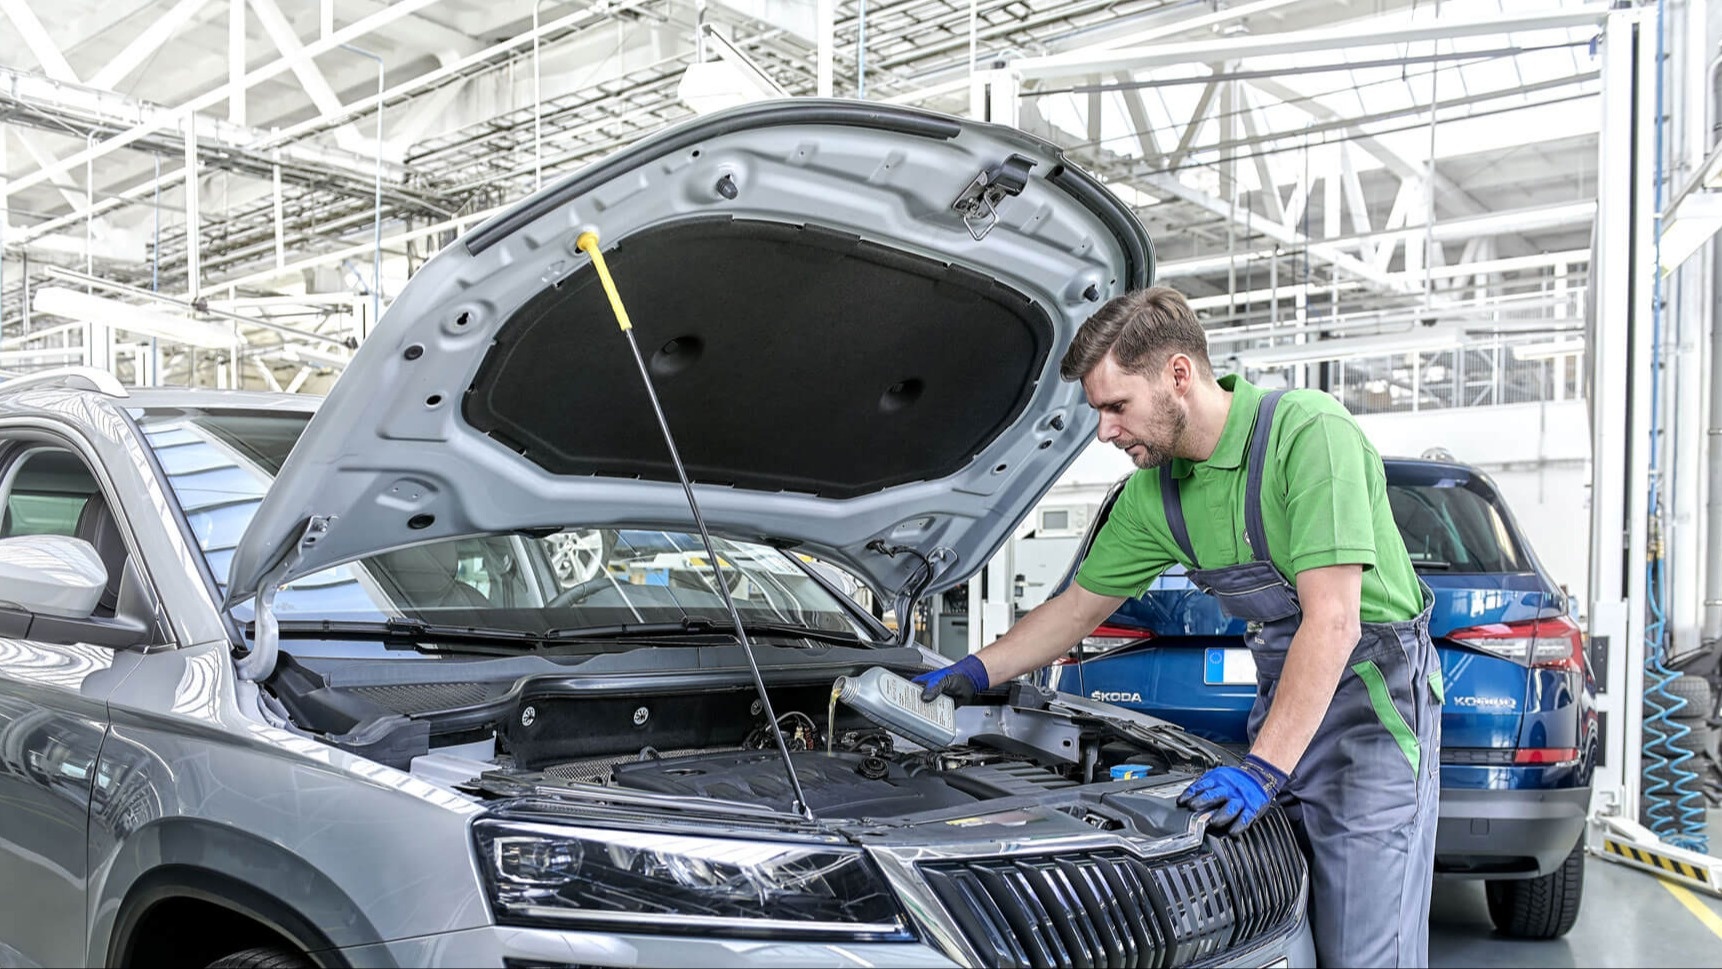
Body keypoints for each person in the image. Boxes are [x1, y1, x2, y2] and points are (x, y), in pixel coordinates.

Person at [914, 286, 1442, 968]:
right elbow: (1077, 609)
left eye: (1115, 405)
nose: (1104, 431)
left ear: (1178, 375)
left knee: (1367, 948)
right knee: (1286, 931)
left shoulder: (1308, 434)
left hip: (1373, 717)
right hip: (1285, 710)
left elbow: (1334, 621)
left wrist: (1263, 769)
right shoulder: (1155, 495)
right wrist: (973, 670)